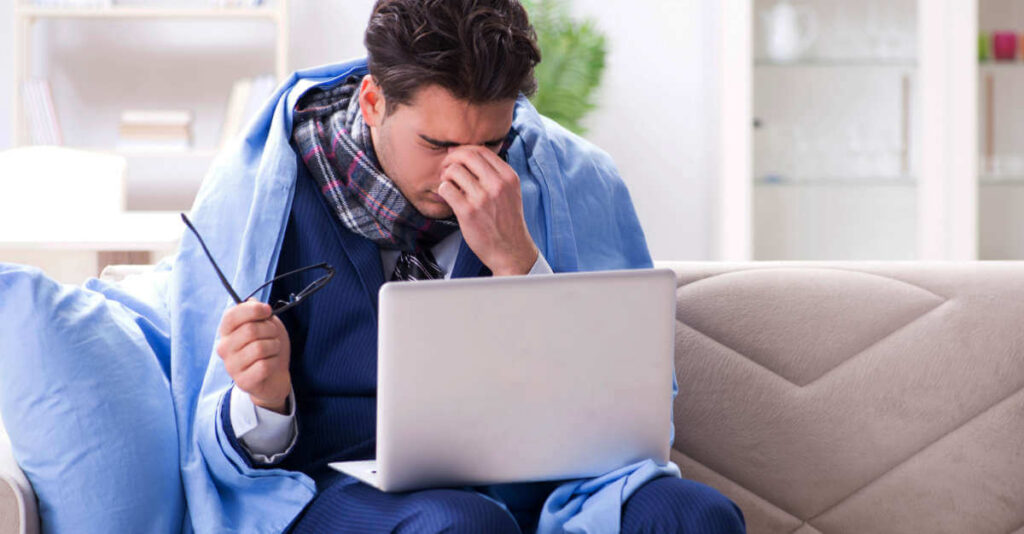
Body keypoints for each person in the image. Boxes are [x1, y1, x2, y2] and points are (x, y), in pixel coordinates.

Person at [205, 0, 746, 532]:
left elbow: (624, 414)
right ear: (373, 102)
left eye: (492, 143)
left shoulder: (574, 178)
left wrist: (520, 263)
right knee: (463, 525)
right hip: (342, 487)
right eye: (436, 144)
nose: (462, 170)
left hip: (551, 482)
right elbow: (219, 441)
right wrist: (265, 398)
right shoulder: (263, 190)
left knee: (694, 515)